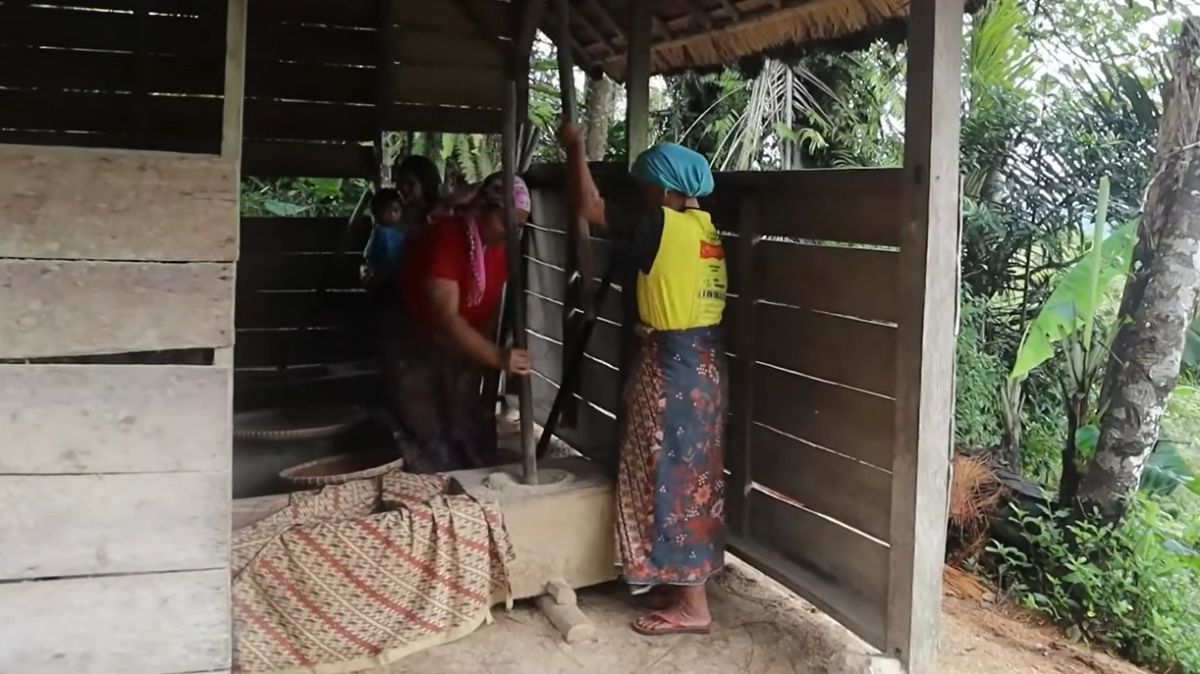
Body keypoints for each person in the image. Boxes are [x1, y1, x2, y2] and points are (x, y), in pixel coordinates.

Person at [559, 124, 729, 636]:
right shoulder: (704, 230)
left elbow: (591, 209)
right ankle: (676, 581)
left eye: (644, 186)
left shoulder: (660, 222)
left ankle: (693, 607)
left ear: (663, 191)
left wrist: (575, 149)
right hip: (701, 366)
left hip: (673, 371)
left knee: (673, 479)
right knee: (687, 475)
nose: (640, 195)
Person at [386, 175, 532, 473]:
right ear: (482, 210)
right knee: (427, 429)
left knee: (464, 417)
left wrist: (481, 356)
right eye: (507, 223)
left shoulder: (500, 248)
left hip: (457, 342)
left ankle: (470, 474)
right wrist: (496, 356)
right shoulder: (447, 239)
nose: (512, 233)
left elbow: (487, 308)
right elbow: (447, 318)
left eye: (519, 225)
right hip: (416, 339)